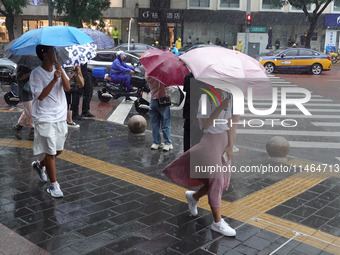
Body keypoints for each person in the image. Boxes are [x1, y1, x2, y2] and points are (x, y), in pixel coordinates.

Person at [163, 88, 236, 236]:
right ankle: (217, 222)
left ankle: (193, 197)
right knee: (217, 181)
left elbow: (231, 122)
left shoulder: (229, 94)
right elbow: (205, 125)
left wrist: (230, 145)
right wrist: (221, 106)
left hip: (225, 141)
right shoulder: (205, 98)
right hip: (210, 141)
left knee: (220, 182)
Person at [29, 44, 70, 198]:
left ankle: (39, 165)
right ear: (45, 55)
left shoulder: (59, 69)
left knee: (58, 150)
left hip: (60, 116)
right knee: (51, 153)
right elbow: (40, 96)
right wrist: (54, 80)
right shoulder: (36, 74)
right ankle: (54, 186)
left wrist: (61, 74)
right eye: (53, 51)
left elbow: (67, 88)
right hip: (44, 117)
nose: (57, 53)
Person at [147, 75, 172, 151]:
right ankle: (168, 143)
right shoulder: (162, 74)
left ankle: (156, 143)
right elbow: (169, 89)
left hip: (153, 101)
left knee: (154, 123)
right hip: (163, 101)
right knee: (165, 122)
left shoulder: (148, 73)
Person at [13, 65, 35, 140]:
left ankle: (32, 129)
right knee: (29, 112)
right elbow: (19, 78)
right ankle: (18, 126)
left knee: (32, 111)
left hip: (32, 91)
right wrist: (30, 73)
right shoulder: (21, 66)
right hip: (24, 92)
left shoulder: (32, 65)